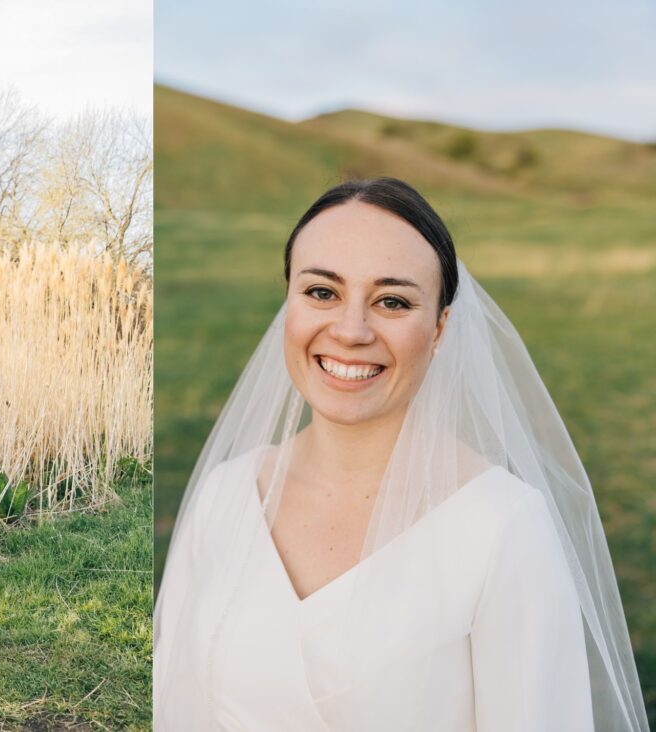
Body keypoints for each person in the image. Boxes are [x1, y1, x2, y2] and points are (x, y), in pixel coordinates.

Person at [153, 177, 646, 730]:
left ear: (439, 329)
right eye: (322, 292)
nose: (351, 330)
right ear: (287, 303)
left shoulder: (505, 527)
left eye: (392, 301)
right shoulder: (225, 495)